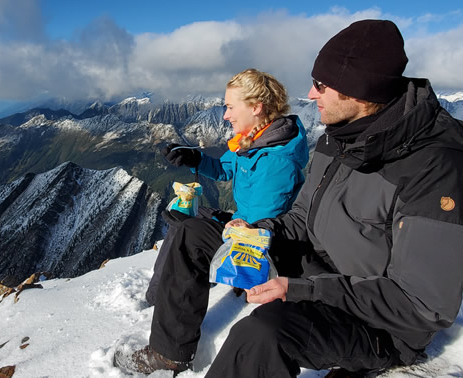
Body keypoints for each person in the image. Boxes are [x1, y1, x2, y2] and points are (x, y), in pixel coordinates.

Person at [116, 19, 463, 377]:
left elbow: (423, 304)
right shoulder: (340, 138)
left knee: (259, 335)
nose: (311, 95)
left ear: (356, 89)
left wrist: (303, 290)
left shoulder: (436, 168)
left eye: (320, 84)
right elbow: (301, 215)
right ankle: (168, 353)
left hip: (377, 320)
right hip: (316, 268)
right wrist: (256, 231)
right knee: (192, 233)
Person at [144, 68, 310, 306]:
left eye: (230, 107)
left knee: (188, 230)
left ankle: (163, 301)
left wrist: (214, 226)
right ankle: (160, 295)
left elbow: (258, 227)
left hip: (261, 249)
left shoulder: (275, 162)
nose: (225, 115)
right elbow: (224, 168)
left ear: (256, 107)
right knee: (181, 216)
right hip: (246, 227)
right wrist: (195, 160)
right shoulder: (254, 141)